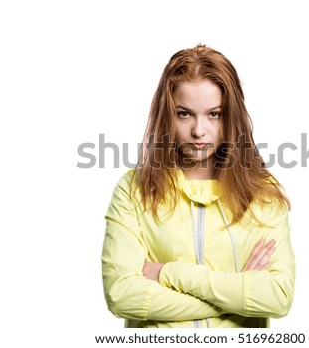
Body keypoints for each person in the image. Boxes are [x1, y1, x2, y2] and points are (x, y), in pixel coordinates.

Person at [101, 44, 295, 328]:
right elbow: (121, 294)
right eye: (184, 113)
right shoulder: (133, 190)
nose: (199, 131)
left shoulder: (261, 193)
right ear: (167, 115)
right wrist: (234, 296)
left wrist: (168, 273)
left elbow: (278, 297)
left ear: (231, 116)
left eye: (214, 114)